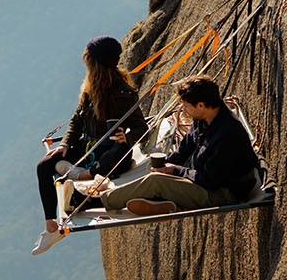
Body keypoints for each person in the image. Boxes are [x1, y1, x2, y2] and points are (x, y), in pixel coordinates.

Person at [32, 36, 147, 255]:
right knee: (44, 166)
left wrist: (127, 138)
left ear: (96, 63)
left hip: (111, 153)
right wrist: (65, 144)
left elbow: (142, 127)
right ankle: (51, 227)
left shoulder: (123, 94)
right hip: (88, 150)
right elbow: (76, 121)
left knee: (118, 152)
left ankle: (82, 175)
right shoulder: (89, 89)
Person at [98, 75, 260, 216]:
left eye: (186, 106)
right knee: (154, 172)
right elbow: (183, 150)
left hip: (223, 193)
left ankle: (98, 201)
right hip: (204, 180)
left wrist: (174, 171)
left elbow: (209, 180)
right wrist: (165, 166)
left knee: (156, 181)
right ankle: (159, 201)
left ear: (201, 105)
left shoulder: (227, 134)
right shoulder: (202, 120)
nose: (184, 110)